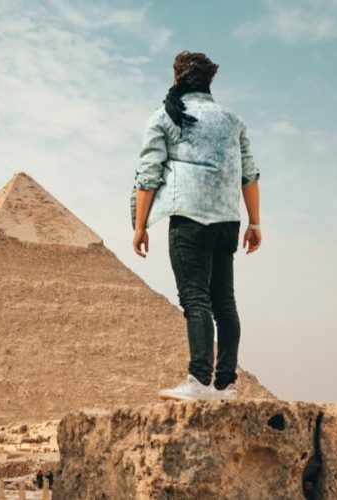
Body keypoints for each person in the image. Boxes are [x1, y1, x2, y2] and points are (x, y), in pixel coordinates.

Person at [131, 50, 261, 401]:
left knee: (195, 299)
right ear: (209, 81)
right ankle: (226, 384)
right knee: (225, 303)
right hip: (227, 222)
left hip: (188, 218)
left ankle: (200, 380)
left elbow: (148, 176)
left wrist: (140, 226)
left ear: (176, 78)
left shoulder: (166, 117)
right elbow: (249, 175)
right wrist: (255, 223)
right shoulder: (233, 120)